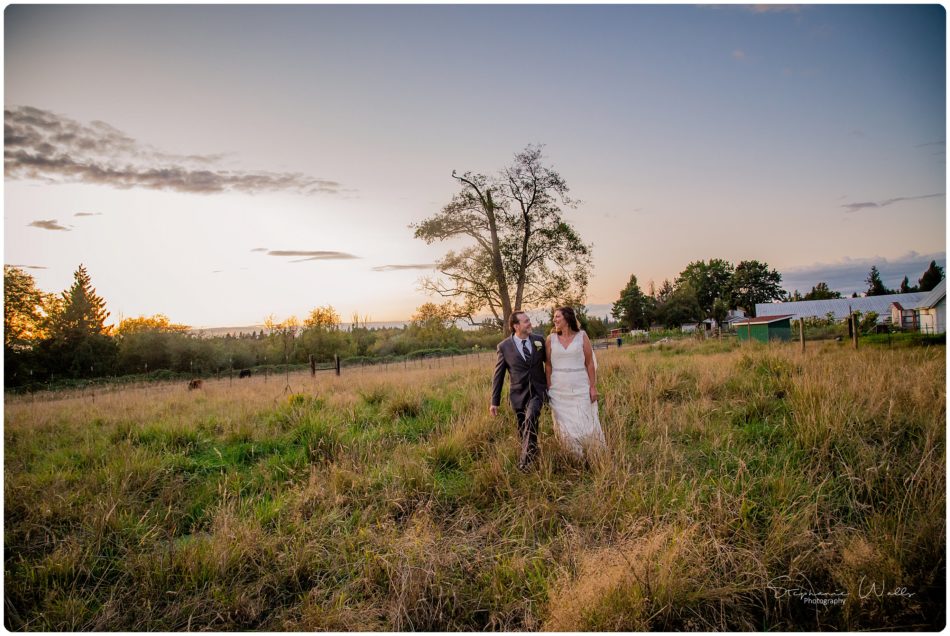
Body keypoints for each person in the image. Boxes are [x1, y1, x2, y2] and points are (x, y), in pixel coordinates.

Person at [490, 311, 548, 472]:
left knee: (531, 417)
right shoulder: (504, 347)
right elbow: (498, 376)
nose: (530, 323)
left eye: (529, 320)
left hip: (538, 391)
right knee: (524, 427)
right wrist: (494, 402)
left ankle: (524, 463)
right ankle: (533, 452)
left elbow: (549, 365)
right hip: (518, 394)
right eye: (526, 321)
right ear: (516, 326)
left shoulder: (539, 341)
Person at [545, 306, 605, 458]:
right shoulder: (550, 339)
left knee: (585, 420)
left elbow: (590, 363)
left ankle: (592, 453)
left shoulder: (582, 336)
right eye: (554, 317)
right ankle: (573, 456)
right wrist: (549, 387)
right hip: (558, 390)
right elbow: (548, 365)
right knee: (564, 425)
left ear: (567, 318)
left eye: (557, 316)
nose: (554, 320)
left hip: (580, 386)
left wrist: (592, 387)